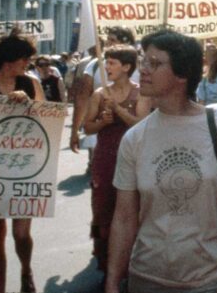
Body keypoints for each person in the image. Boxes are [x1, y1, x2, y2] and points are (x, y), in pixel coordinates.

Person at [106, 30, 217, 293]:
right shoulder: (134, 138)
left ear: (182, 74)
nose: (144, 70)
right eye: (144, 61)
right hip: (146, 277)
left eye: (155, 63)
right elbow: (124, 217)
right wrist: (112, 279)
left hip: (211, 279)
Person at [0, 31, 46, 293]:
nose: (27, 63)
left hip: (25, 167)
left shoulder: (31, 84)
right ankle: (1, 288)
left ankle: (26, 269)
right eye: (24, 58)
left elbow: (47, 123)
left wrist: (29, 104)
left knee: (21, 234)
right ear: (9, 59)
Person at [83, 44, 150, 276]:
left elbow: (140, 124)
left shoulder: (142, 93)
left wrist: (118, 110)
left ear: (127, 67)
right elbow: (88, 127)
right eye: (106, 62)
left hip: (133, 160)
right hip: (105, 160)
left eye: (111, 63)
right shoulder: (99, 94)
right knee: (104, 209)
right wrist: (103, 121)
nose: (107, 67)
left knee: (132, 210)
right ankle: (106, 264)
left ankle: (132, 265)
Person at [71, 27, 137, 159]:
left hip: (133, 135)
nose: (107, 43)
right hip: (101, 134)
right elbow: (82, 99)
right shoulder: (95, 65)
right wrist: (75, 130)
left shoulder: (141, 66)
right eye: (107, 40)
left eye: (112, 40)